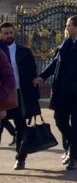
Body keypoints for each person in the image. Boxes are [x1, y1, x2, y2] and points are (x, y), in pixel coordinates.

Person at [32, 15, 77, 170]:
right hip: (61, 89)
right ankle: (74, 145)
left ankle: (74, 156)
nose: (67, 27)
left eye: (69, 25)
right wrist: (42, 76)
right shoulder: (66, 43)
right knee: (59, 120)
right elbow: (55, 63)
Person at [1, 21, 40, 170]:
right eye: (5, 33)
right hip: (2, 94)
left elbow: (32, 74)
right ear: (1, 34)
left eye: (10, 32)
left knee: (21, 127)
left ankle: (20, 158)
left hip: (20, 94)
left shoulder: (25, 51)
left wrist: (34, 99)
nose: (8, 35)